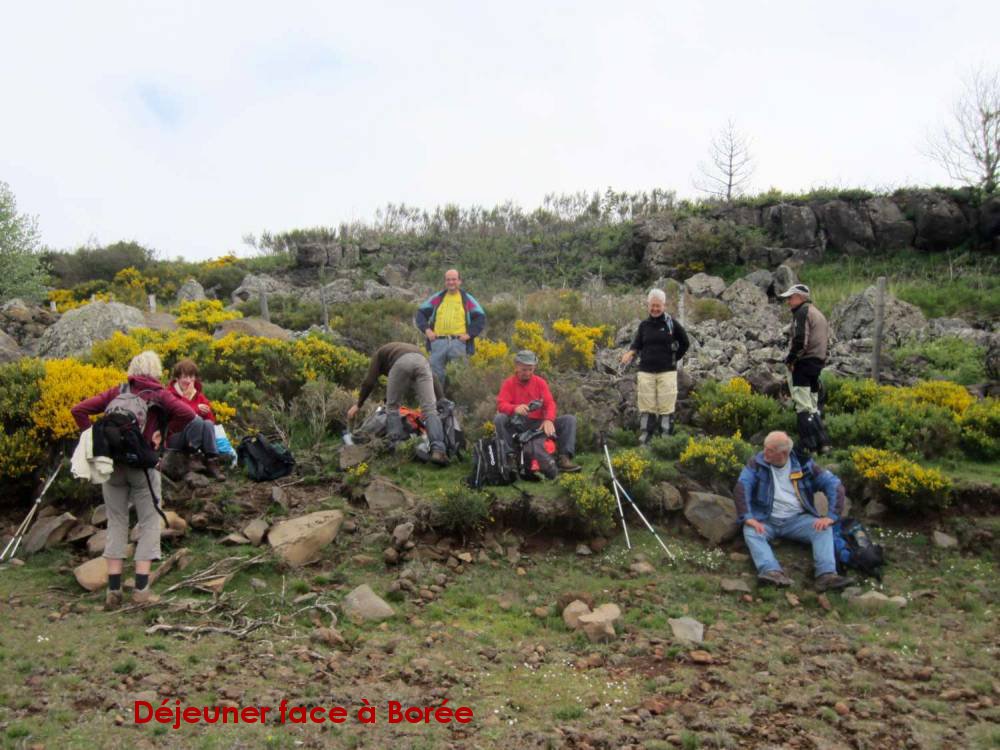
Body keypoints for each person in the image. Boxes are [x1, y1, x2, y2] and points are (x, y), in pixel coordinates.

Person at [71, 351, 199, 609]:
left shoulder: (117, 391)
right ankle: (141, 590)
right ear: (156, 371)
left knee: (116, 522)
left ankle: (113, 590)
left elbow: (79, 410)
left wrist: (95, 441)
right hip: (144, 467)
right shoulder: (160, 395)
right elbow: (189, 415)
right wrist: (163, 432)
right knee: (149, 522)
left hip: (113, 467)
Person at [733, 431, 853, 592]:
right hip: (766, 519)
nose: (764, 452)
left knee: (823, 529)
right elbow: (742, 486)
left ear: (783, 453)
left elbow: (834, 485)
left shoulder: (804, 465)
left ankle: (826, 575)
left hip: (797, 520)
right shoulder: (756, 463)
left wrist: (831, 516)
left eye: (770, 450)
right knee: (750, 530)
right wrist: (748, 517)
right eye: (764, 447)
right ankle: (771, 571)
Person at [346, 342, 449, 466]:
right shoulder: (401, 349)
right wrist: (442, 400)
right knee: (430, 409)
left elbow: (369, 382)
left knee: (392, 408)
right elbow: (434, 378)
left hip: (401, 363)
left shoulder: (378, 354)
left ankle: (397, 448)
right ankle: (438, 451)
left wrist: (358, 404)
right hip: (422, 361)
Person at [494, 350, 581, 478]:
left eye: (531, 369)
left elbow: (550, 403)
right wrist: (515, 408)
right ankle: (510, 458)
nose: (527, 373)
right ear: (516, 366)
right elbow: (501, 405)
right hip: (518, 425)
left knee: (569, 420)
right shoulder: (509, 383)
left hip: (539, 425)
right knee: (499, 418)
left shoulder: (540, 382)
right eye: (524, 369)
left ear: (534, 367)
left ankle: (564, 459)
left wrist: (549, 420)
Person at [620, 288, 690, 443]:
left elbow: (685, 342)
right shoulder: (644, 325)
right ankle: (646, 438)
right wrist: (629, 353)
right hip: (646, 371)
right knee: (646, 405)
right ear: (648, 305)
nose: (655, 309)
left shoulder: (671, 324)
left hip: (667, 372)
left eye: (658, 305)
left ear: (664, 306)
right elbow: (636, 344)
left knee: (666, 405)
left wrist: (674, 358)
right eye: (652, 305)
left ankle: (665, 440)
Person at [780, 283, 831, 454]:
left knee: (802, 406)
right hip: (816, 364)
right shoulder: (818, 313)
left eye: (790, 297)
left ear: (800, 297)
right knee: (812, 405)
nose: (788, 301)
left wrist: (791, 359)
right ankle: (823, 443)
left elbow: (801, 340)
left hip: (804, 363)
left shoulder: (802, 312)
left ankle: (809, 445)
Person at [414, 269, 487, 383]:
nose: (451, 282)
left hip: (458, 343)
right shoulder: (438, 298)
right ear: (445, 282)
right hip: (438, 343)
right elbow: (421, 312)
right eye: (448, 280)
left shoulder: (466, 299)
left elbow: (480, 317)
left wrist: (469, 335)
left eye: (454, 279)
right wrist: (427, 330)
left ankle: (458, 395)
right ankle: (438, 395)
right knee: (435, 377)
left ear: (459, 281)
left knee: (459, 377)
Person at [164, 358, 225, 480]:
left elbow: (211, 420)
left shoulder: (198, 395)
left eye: (191, 377)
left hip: (195, 437)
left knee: (207, 423)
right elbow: (178, 419)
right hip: (175, 437)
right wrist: (191, 403)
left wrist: (206, 412)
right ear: (177, 378)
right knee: (197, 421)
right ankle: (193, 455)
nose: (188, 381)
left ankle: (212, 460)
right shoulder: (169, 395)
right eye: (185, 377)